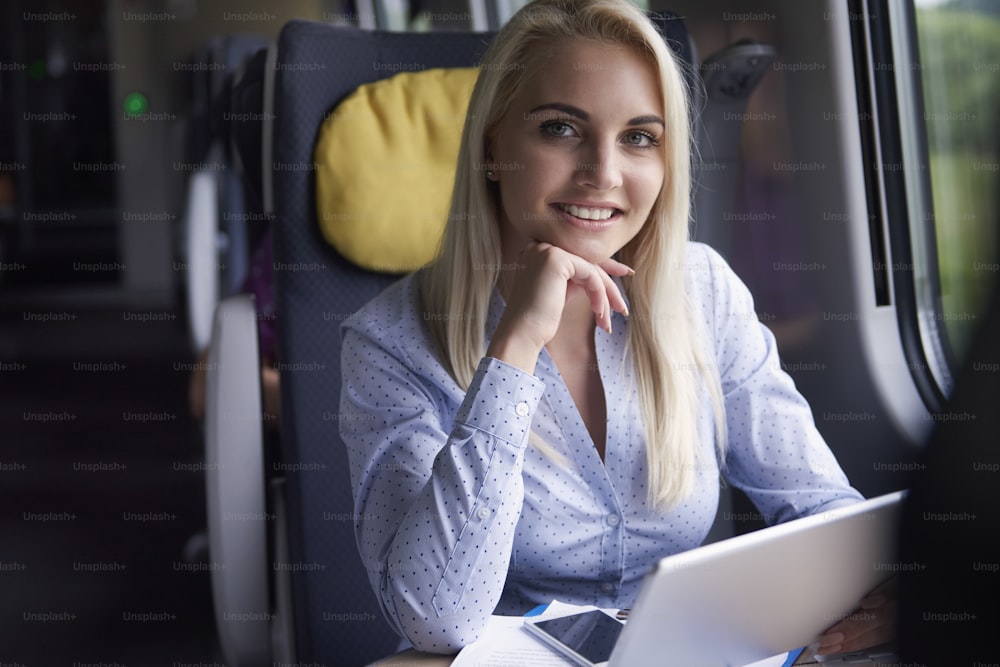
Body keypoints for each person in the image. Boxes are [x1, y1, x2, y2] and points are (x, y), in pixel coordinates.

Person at [339, 0, 891, 656]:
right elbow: (435, 620)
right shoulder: (389, 343)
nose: (603, 172)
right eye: (560, 129)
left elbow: (818, 506)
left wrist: (880, 587)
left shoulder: (702, 289)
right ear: (492, 145)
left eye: (639, 137)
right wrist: (514, 351)